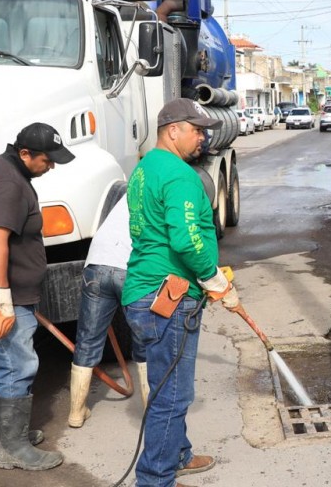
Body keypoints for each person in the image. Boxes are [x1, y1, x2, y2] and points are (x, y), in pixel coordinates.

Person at [123, 98, 240, 487]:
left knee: (167, 384)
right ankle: (155, 478)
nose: (203, 138)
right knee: (172, 395)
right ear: (173, 130)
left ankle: (178, 453)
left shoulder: (146, 168)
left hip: (145, 291)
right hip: (169, 297)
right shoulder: (179, 175)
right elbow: (187, 240)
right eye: (197, 130)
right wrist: (214, 279)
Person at [0, 122, 74, 472]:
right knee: (17, 364)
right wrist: (1, 299)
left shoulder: (2, 170)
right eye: (47, 160)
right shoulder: (8, 183)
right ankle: (14, 448)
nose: (50, 166)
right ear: (25, 154)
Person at [68, 196, 148, 428]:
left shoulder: (131, 191)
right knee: (143, 339)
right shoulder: (162, 190)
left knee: (88, 339)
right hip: (129, 269)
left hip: (95, 266)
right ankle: (151, 411)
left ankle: (76, 412)